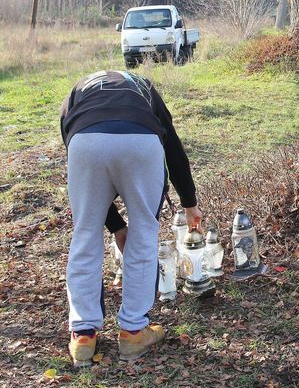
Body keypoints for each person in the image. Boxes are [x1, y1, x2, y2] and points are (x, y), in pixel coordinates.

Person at [59, 70, 202, 366]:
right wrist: (190, 204)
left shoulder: (76, 91)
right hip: (141, 140)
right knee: (144, 232)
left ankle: (82, 336)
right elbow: (173, 148)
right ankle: (134, 331)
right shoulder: (144, 86)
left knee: (85, 232)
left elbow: (86, 158)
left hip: (84, 141)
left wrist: (113, 226)